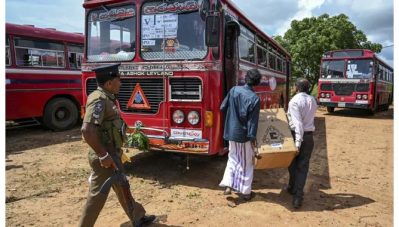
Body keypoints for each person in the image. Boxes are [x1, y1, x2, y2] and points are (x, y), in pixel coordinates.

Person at [78, 63, 155, 227]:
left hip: (113, 153)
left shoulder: (107, 97)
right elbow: (87, 130)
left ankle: (138, 216)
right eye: (118, 80)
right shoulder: (99, 99)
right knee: (97, 196)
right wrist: (103, 155)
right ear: (108, 83)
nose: (121, 83)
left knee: (122, 185)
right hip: (105, 157)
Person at [219, 69, 262, 201]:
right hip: (243, 136)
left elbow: (222, 107)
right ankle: (246, 192)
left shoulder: (233, 90)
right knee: (246, 163)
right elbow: (252, 123)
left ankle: (228, 186)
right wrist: (253, 139)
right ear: (257, 83)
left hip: (231, 132)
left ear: (245, 78)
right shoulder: (254, 98)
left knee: (233, 158)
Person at [286, 78, 317, 209]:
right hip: (309, 137)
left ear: (297, 88)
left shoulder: (294, 101)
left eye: (294, 86)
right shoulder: (312, 100)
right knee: (302, 167)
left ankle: (296, 195)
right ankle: (296, 191)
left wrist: (297, 144)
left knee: (292, 164)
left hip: (297, 137)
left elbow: (298, 125)